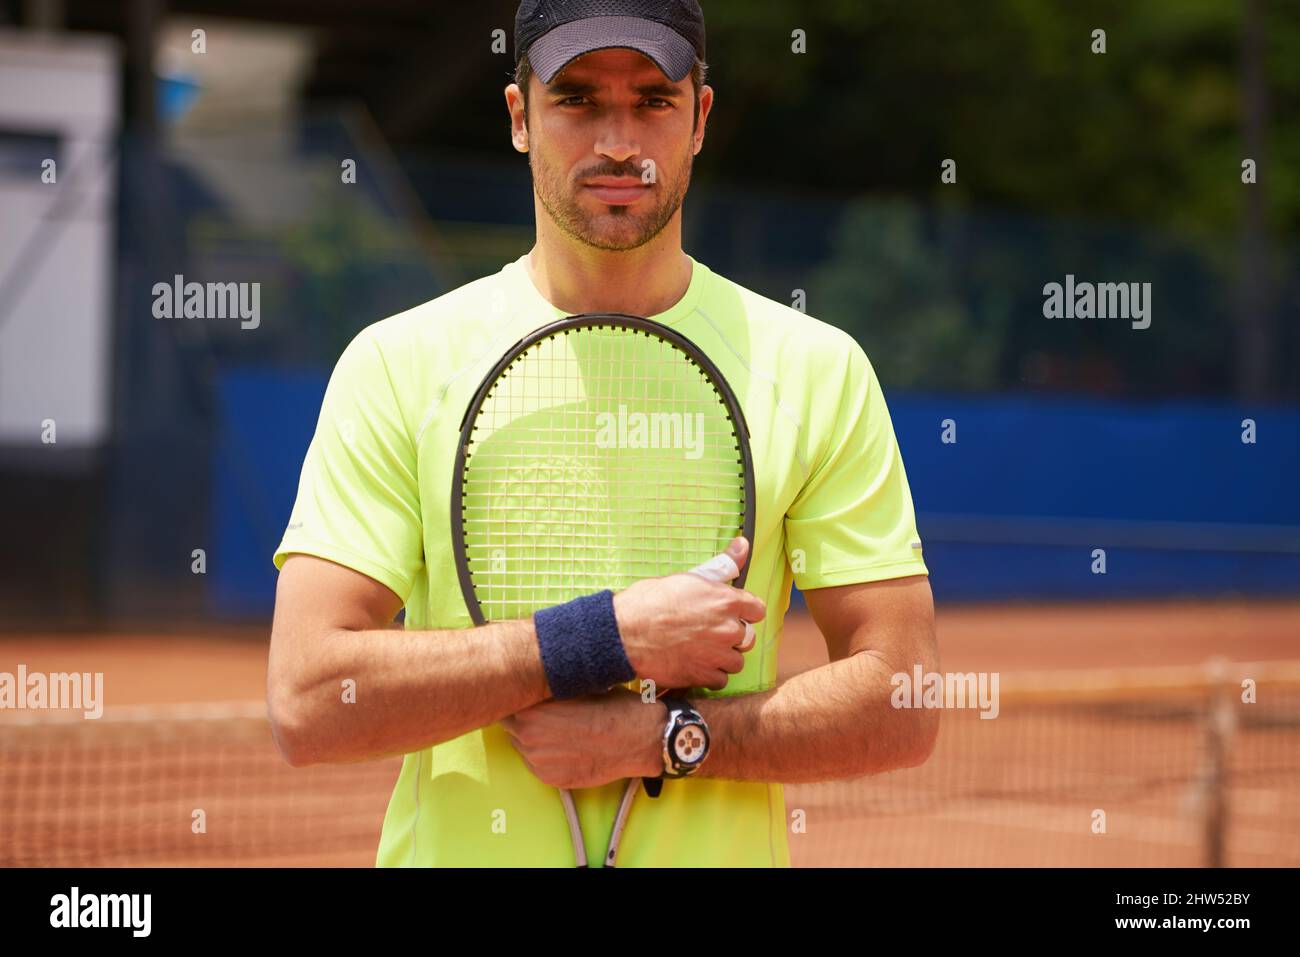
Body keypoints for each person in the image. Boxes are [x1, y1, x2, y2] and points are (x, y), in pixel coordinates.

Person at [268, 0, 938, 866]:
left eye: (653, 100)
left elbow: (905, 695)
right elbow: (309, 698)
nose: (618, 141)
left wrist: (664, 737)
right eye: (577, 99)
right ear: (520, 118)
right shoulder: (398, 362)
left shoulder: (816, 368)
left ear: (699, 118)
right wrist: (598, 639)